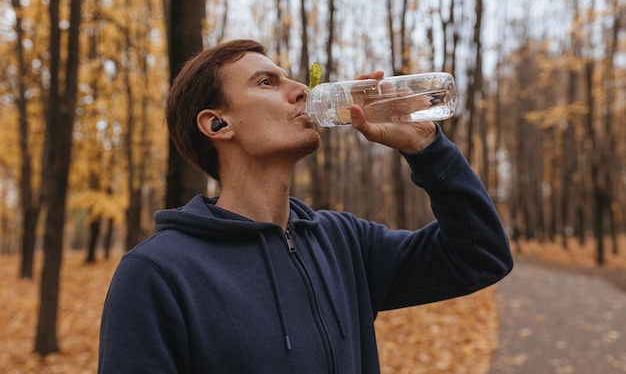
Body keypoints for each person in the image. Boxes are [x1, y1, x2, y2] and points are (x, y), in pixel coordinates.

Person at [98, 39, 513, 374]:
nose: (300, 90)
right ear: (217, 124)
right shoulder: (158, 274)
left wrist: (429, 149)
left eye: (290, 78)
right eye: (266, 82)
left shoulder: (346, 242)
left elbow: (480, 257)